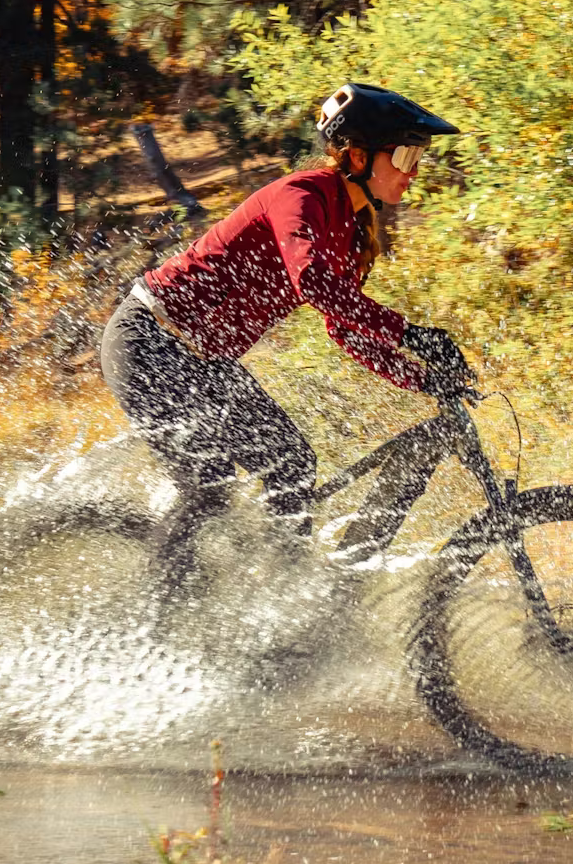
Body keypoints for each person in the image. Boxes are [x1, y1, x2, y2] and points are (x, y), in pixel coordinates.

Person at [99, 83, 473, 582]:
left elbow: (346, 330)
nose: (414, 170)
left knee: (292, 465)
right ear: (357, 156)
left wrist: (422, 378)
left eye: (418, 157)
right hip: (148, 340)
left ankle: (282, 599)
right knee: (210, 487)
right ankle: (154, 620)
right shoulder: (300, 196)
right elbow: (312, 282)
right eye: (405, 155)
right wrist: (411, 334)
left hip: (205, 363)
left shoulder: (353, 229)